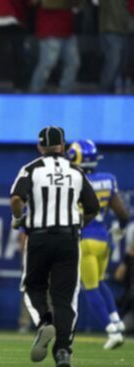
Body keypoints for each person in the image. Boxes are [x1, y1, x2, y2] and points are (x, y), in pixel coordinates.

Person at [10, 126, 100, 367]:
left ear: (40, 147)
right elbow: (93, 207)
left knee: (32, 286)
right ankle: (63, 351)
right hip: (68, 239)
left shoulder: (31, 169)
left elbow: (16, 199)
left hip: (38, 237)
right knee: (65, 298)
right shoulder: (76, 171)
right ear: (63, 146)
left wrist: (19, 218)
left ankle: (43, 321)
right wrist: (78, 224)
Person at [67, 140, 130, 349]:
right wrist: (120, 229)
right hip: (104, 240)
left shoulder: (71, 180)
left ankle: (111, 331)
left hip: (83, 240)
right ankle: (116, 321)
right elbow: (123, 213)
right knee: (100, 282)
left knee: (90, 287)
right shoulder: (107, 180)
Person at [29, 0, 81, 93]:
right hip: (50, 29)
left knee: (73, 63)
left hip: (67, 29)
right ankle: (35, 93)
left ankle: (64, 94)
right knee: (48, 63)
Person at [97, 0, 130, 92]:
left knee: (120, 65)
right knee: (113, 64)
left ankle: (110, 95)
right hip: (111, 30)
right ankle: (103, 95)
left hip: (125, 31)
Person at [115, 242, 134, 333]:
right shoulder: (129, 261)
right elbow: (118, 276)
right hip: (131, 308)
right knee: (123, 328)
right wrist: (127, 259)